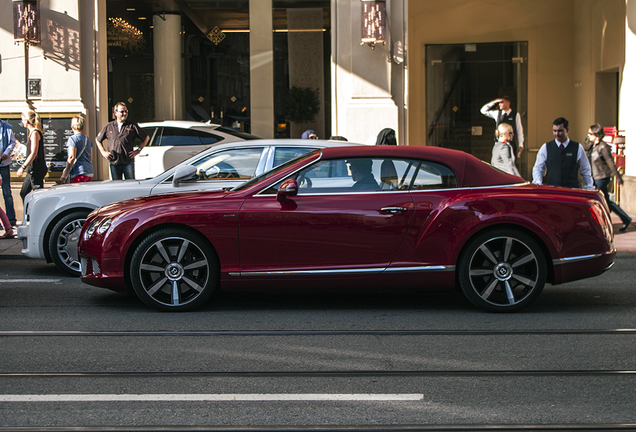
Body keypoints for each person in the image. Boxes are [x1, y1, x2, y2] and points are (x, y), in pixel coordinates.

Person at [588, 123, 631, 231]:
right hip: (595, 176)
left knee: (596, 199)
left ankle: (604, 223)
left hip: (602, 177)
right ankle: (625, 218)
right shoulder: (593, 146)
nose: (588, 136)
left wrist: (618, 178)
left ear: (596, 135)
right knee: (606, 201)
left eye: (590, 133)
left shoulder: (603, 147)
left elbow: (611, 163)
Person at [532, 117, 594, 190]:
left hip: (572, 191)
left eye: (560, 131)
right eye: (554, 131)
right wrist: (538, 183)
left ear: (567, 130)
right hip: (552, 191)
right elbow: (538, 168)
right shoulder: (546, 147)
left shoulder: (578, 147)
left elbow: (585, 170)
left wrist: (589, 187)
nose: (557, 134)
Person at [95, 102, 149, 180]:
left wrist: (138, 150)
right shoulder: (109, 126)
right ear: (115, 112)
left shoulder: (132, 126)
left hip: (128, 162)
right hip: (114, 162)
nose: (124, 113)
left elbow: (146, 137)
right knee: (117, 186)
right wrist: (103, 151)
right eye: (122, 111)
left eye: (126, 111)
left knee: (130, 185)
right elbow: (98, 139)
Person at [17, 110, 48, 202]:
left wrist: (22, 167)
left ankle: (39, 214)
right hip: (31, 170)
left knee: (38, 195)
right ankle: (29, 214)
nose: (22, 122)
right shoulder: (32, 133)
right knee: (23, 193)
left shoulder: (35, 133)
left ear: (27, 121)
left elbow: (33, 153)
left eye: (22, 119)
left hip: (36, 169)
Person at [60, 115, 94, 183]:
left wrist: (65, 173)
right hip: (89, 172)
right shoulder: (87, 139)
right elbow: (91, 157)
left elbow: (72, 157)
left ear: (72, 125)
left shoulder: (72, 139)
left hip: (78, 172)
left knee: (76, 192)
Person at [0, 118, 17, 226]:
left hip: (3, 163)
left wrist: (6, 153)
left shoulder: (6, 127)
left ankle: (11, 218)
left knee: (6, 191)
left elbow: (12, 142)